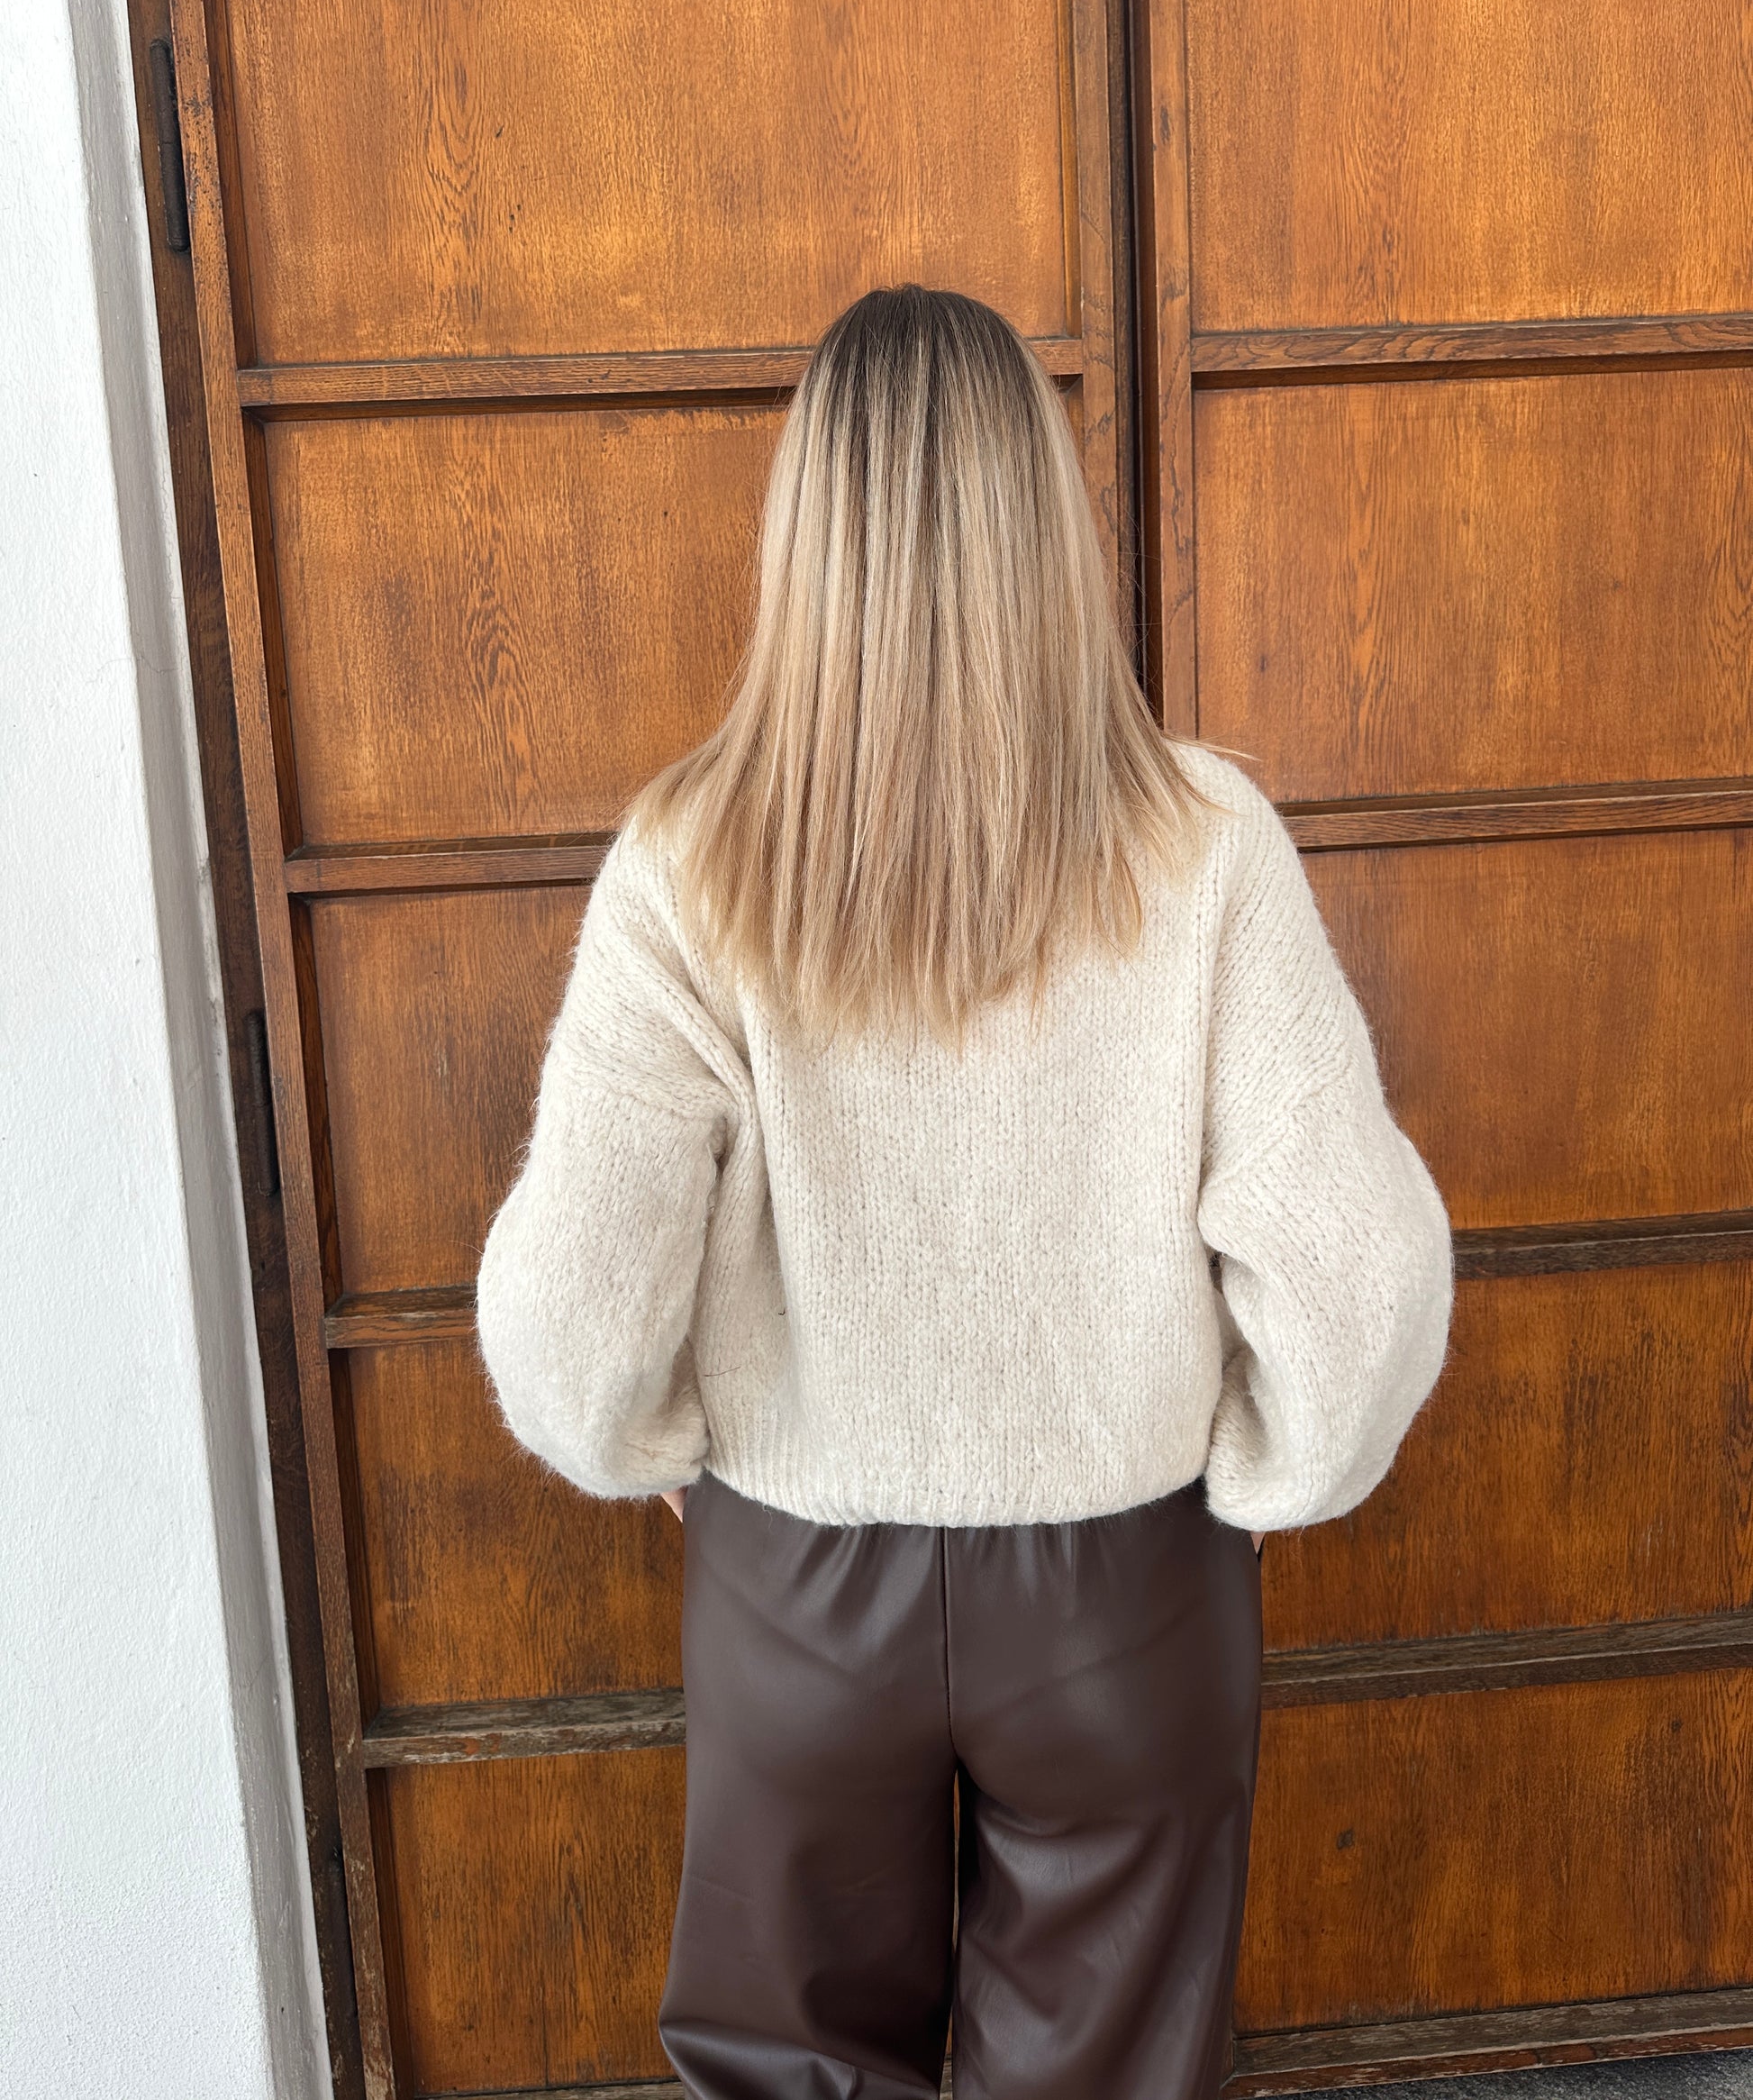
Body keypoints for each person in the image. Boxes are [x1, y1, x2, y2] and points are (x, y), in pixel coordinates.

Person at [474, 283, 1454, 2100]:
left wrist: (644, 1442)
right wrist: (1265, 1470)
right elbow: (1360, 1263)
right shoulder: (1204, 841)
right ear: (1046, 525)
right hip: (1127, 1580)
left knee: (787, 2063)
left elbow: (567, 1307)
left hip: (792, 1577)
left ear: (803, 537)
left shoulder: (688, 861)